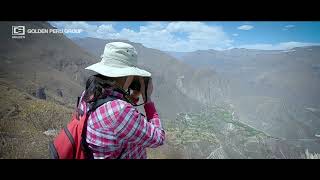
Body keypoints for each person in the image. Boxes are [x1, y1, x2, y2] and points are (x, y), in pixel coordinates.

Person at [78, 42, 165, 159]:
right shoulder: (120, 111)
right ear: (127, 75)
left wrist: (134, 95)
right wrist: (148, 100)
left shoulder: (89, 94)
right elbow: (158, 138)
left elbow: (114, 120)